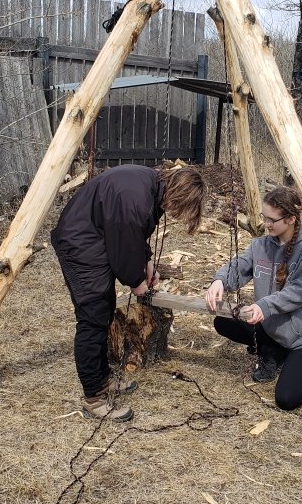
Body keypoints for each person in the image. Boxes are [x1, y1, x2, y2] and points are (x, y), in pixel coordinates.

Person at [52, 163, 207, 422]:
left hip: (95, 236)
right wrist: (137, 282)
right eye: (181, 208)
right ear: (179, 195)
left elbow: (136, 236)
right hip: (80, 241)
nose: (177, 214)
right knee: (93, 317)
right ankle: (94, 397)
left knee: (103, 310)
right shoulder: (136, 197)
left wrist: (147, 265)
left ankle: (103, 379)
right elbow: (123, 248)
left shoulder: (152, 188)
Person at [204, 186, 302, 411]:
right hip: (273, 326)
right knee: (223, 321)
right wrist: (220, 280)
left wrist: (264, 305)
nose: (266, 224)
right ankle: (275, 350)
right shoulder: (261, 244)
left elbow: (297, 293)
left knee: (287, 399)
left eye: (271, 220)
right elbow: (240, 265)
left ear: (290, 219)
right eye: (264, 217)